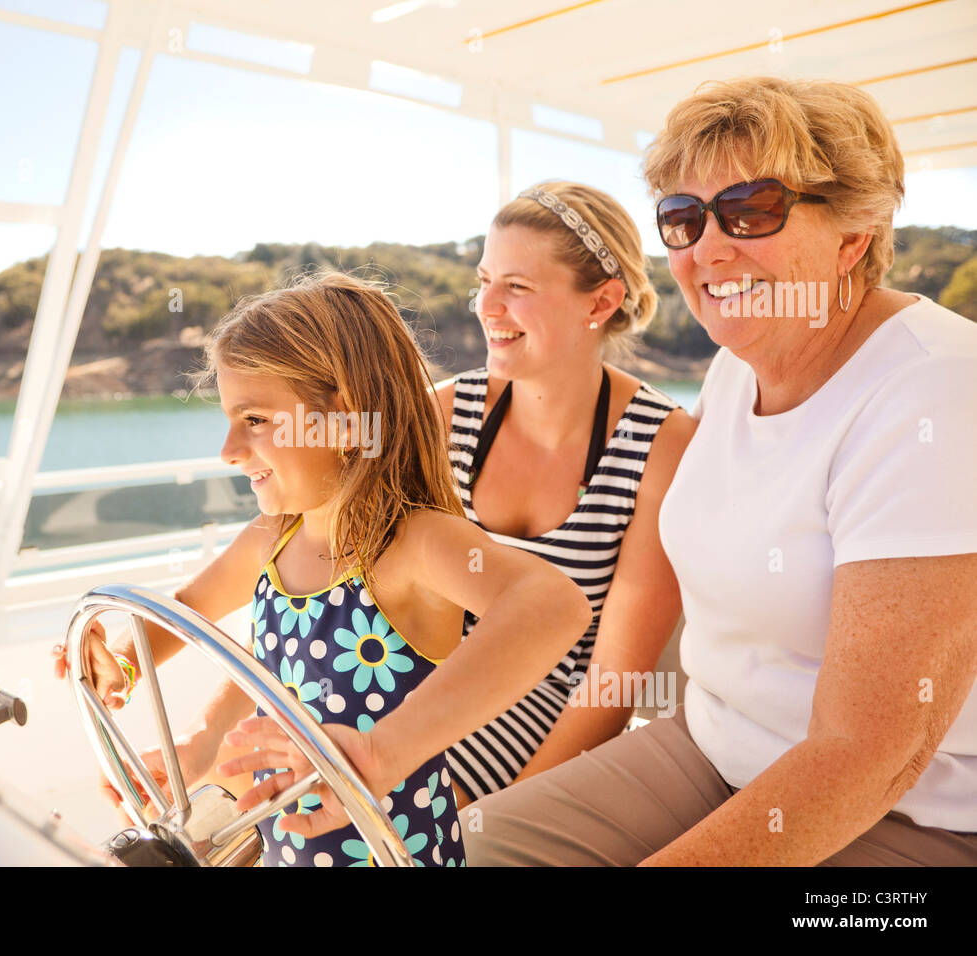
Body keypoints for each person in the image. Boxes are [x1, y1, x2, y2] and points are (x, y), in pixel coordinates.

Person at [462, 76, 977, 866]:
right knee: (485, 845)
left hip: (910, 811)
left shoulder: (935, 390)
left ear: (856, 233)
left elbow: (869, 751)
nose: (707, 248)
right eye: (682, 218)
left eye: (752, 210)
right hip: (712, 743)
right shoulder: (735, 371)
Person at [55, 271, 592, 867]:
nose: (228, 450)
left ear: (340, 418)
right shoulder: (271, 538)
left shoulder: (412, 541)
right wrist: (127, 667)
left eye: (254, 419)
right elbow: (197, 619)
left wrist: (380, 753)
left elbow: (555, 605)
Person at [434, 181, 697, 808]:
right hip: (422, 688)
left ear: (602, 301)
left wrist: (497, 822)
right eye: (484, 279)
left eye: (517, 287)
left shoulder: (661, 445)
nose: (486, 306)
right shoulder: (446, 413)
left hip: (545, 723)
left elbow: (613, 683)